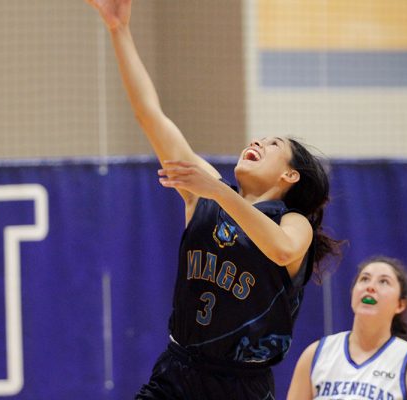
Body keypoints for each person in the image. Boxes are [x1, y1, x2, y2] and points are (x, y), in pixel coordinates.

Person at [86, 1, 342, 398]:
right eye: (257, 138)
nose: (255, 142)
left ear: (289, 175)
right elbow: (150, 115)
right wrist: (119, 31)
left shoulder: (293, 222)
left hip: (241, 386)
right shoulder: (205, 192)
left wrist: (218, 190)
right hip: (178, 372)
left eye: (272, 144)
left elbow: (279, 250)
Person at [287, 256, 407, 400]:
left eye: (384, 282)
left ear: (400, 304)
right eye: (364, 279)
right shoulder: (315, 354)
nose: (370, 287)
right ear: (353, 293)